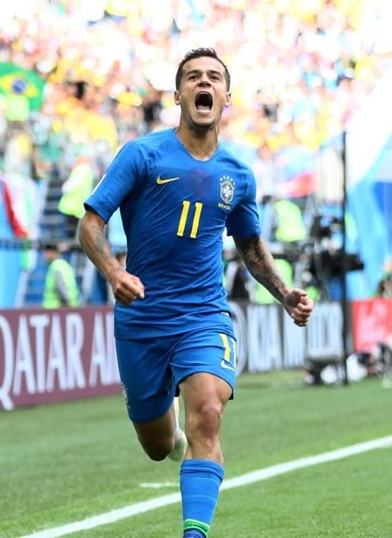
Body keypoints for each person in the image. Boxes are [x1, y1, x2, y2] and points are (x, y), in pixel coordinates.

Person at [78, 47, 314, 538]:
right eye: (192, 77)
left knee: (207, 410)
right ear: (178, 94)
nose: (203, 83)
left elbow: (249, 245)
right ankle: (168, 420)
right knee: (159, 445)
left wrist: (283, 293)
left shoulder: (238, 175)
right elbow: (91, 223)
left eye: (213, 77)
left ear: (226, 96)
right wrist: (113, 271)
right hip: (142, 318)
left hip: (203, 315)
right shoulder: (141, 155)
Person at [41, 241, 79, 308]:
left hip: (56, 308)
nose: (45, 256)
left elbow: (60, 286)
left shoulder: (56, 266)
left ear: (54, 252)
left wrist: (67, 304)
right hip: (71, 305)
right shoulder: (65, 265)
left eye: (47, 252)